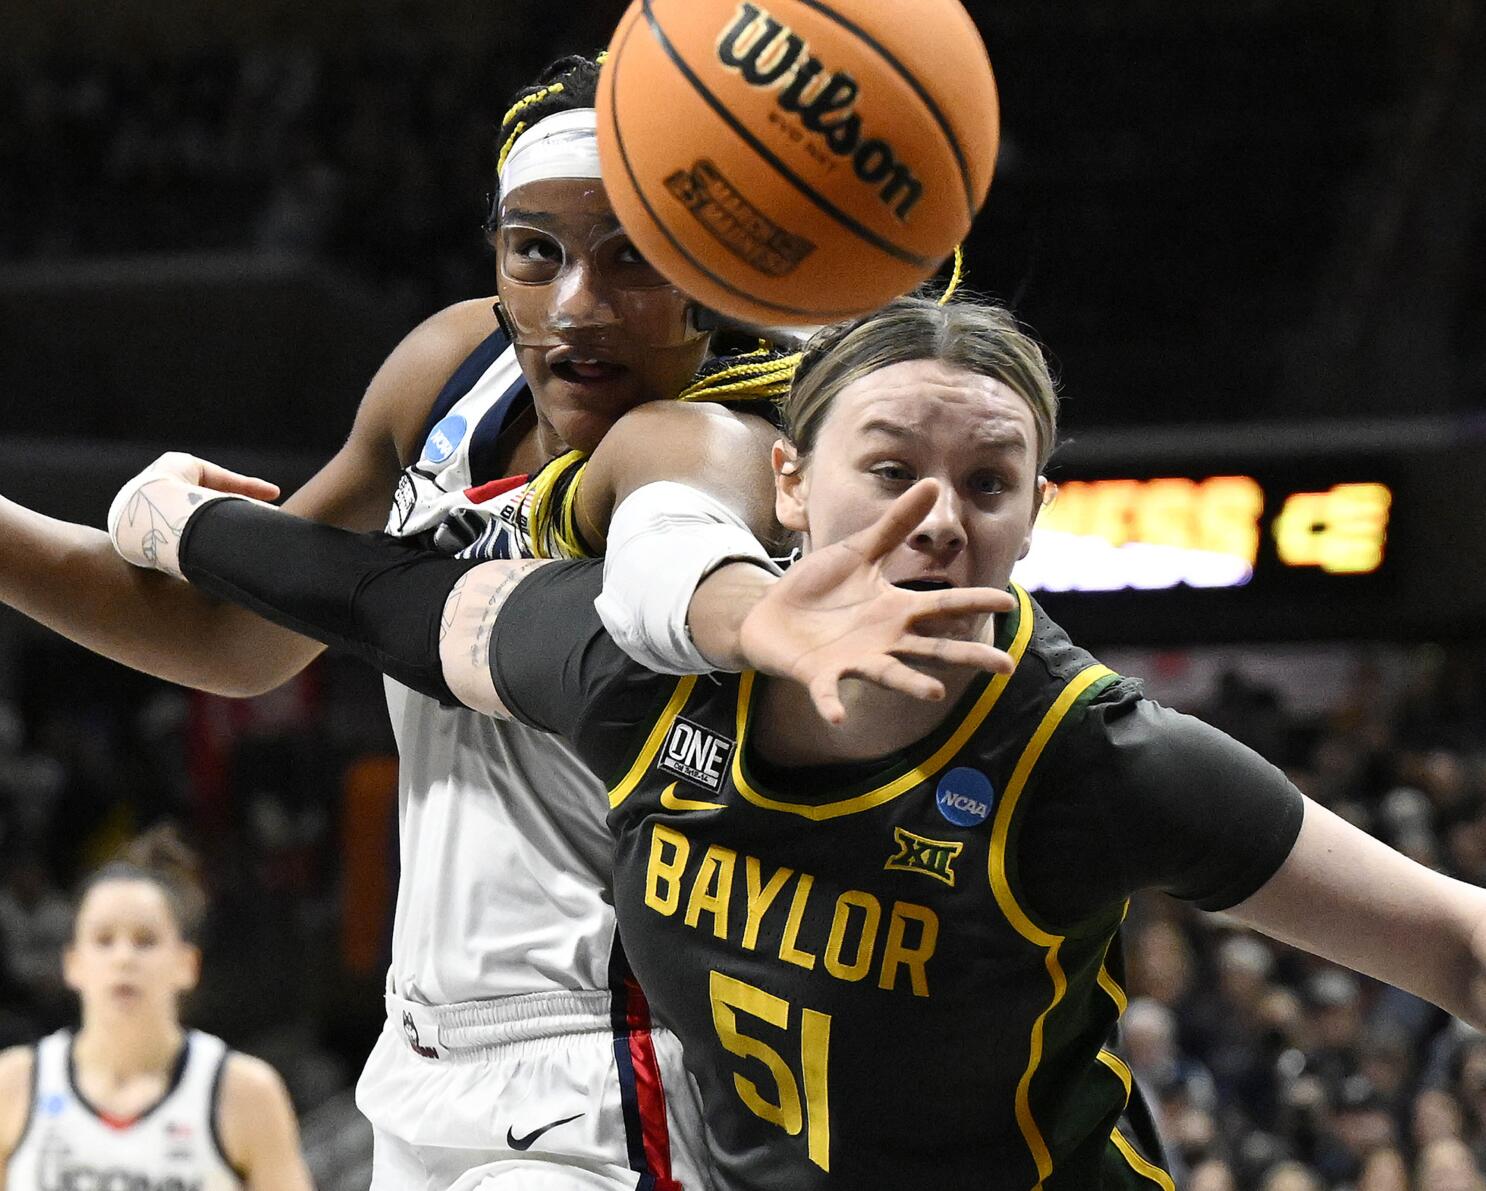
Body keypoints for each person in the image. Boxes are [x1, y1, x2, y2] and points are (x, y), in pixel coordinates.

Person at [109, 293, 1486, 1190]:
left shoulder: (1087, 752)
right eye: (889, 468)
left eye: (988, 484)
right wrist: (175, 519)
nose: (940, 516)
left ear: (1030, 514)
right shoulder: (636, 671)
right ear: (787, 477)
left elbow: (1454, 942)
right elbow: (387, 599)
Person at [0, 50, 794, 1189]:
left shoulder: (717, 437)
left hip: (619, 1054)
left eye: (634, 258)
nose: (578, 304)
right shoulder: (450, 371)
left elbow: (686, 531)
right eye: (537, 251)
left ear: (711, 271)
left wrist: (748, 604)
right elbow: (238, 640)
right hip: (424, 1046)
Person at [0, 827, 310, 1190]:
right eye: (103, 940)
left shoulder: (245, 1093)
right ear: (72, 963)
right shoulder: (13, 1084)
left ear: (187, 964)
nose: (124, 958)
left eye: (145, 941)